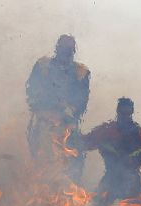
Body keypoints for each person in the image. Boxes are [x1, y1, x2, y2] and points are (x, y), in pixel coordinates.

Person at [25, 34, 90, 183]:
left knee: (73, 162)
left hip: (68, 126)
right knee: (41, 164)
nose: (66, 53)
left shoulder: (81, 72)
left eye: (69, 50)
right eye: (63, 49)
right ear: (57, 49)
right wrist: (44, 110)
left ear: (73, 51)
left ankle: (68, 195)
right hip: (43, 123)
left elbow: (82, 101)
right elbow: (32, 91)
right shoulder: (43, 66)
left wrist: (66, 114)